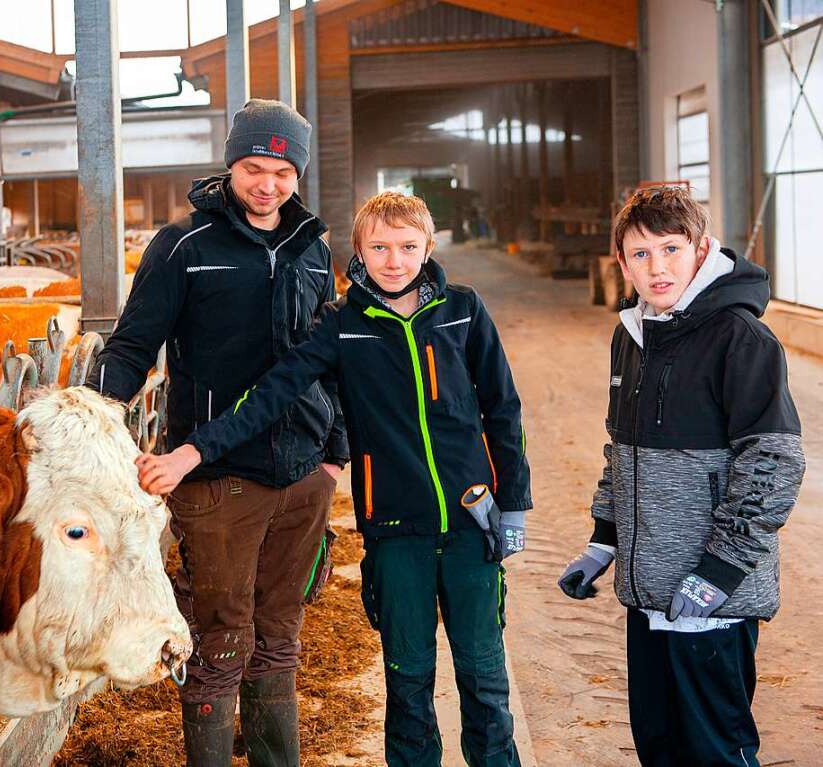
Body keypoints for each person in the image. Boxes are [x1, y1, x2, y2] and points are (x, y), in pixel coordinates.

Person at [141, 191, 532, 767]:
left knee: (483, 674)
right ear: (358, 254)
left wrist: (513, 504)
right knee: (408, 676)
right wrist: (192, 452)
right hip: (395, 531)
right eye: (379, 248)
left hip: (473, 523)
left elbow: (503, 408)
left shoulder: (464, 310)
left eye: (406, 247)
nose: (394, 260)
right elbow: (270, 395)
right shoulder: (341, 325)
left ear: (429, 246)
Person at [86, 99, 348, 767]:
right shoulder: (183, 246)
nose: (267, 184)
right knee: (221, 637)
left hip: (303, 474)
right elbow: (132, 344)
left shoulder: (312, 250)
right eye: (253, 168)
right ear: (231, 165)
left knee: (281, 635)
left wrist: (334, 457)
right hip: (214, 474)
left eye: (282, 173)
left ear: (298, 176)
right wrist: (93, 415)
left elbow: (329, 357)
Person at [557, 186, 805, 766]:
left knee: (715, 750)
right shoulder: (633, 336)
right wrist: (603, 540)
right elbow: (623, 451)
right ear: (621, 263)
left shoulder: (740, 338)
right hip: (649, 594)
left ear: (700, 249)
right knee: (659, 745)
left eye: (670, 249)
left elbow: (772, 462)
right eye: (639, 255)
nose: (657, 267)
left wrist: (718, 572)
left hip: (710, 598)